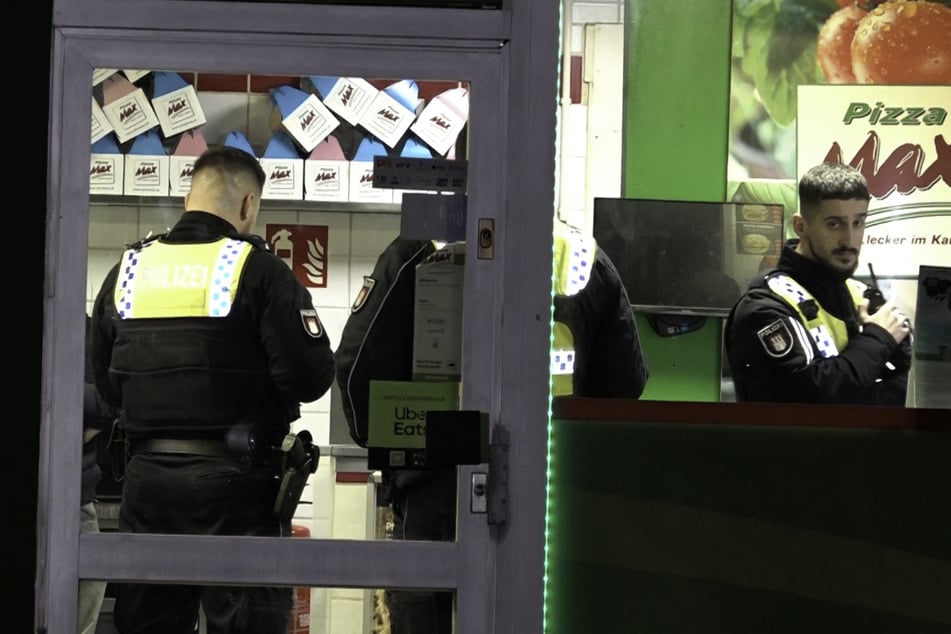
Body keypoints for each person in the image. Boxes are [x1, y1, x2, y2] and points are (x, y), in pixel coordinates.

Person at [334, 228, 648, 634]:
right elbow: (624, 390)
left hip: (438, 487)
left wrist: (398, 449)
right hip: (554, 491)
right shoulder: (583, 258)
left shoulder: (419, 249)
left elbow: (357, 369)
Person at [89, 145, 336, 634]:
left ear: (189, 195)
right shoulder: (259, 272)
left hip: (147, 484)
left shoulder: (129, 272)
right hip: (236, 487)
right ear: (248, 205)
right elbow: (310, 379)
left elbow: (104, 380)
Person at [724, 161, 912, 404]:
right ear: (801, 226)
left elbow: (912, 387)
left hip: (869, 443)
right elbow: (813, 396)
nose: (849, 239)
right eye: (834, 224)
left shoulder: (864, 295)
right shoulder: (764, 307)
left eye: (858, 222)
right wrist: (878, 338)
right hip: (787, 443)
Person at [79, 315, 118, 634]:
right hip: (77, 495)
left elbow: (109, 403)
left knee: (89, 584)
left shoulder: (83, 329)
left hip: (75, 494)